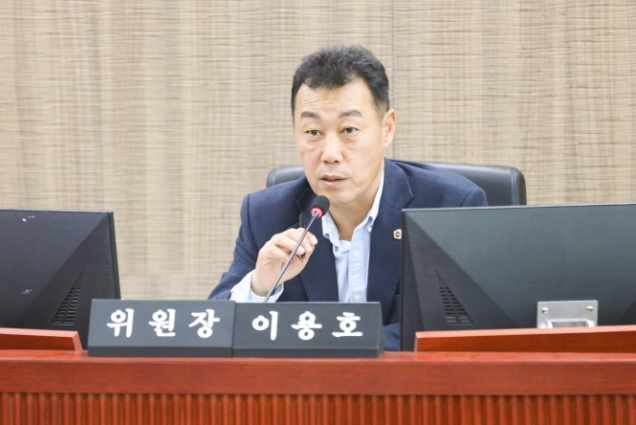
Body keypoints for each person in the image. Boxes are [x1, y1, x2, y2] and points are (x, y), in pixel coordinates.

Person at [208, 45, 487, 350]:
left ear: (387, 128)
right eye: (313, 132)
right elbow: (211, 329)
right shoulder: (266, 215)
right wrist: (260, 286)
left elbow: (465, 327)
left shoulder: (450, 207)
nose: (330, 154)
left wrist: (337, 348)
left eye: (349, 129)